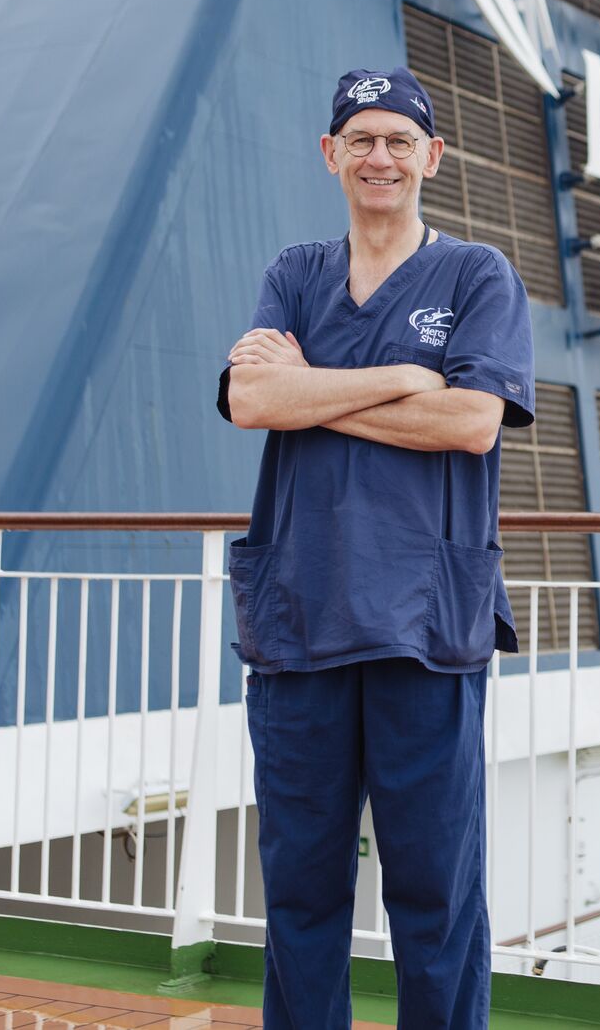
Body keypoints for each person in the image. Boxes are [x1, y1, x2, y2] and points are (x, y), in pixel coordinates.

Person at [217, 66, 534, 1028]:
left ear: (432, 156)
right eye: (361, 139)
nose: (381, 156)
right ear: (331, 156)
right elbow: (252, 399)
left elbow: (474, 420)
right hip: (300, 624)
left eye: (400, 139)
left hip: (424, 628)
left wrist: (320, 384)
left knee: (436, 900)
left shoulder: (478, 275)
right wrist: (401, 376)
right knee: (300, 896)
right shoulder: (296, 273)